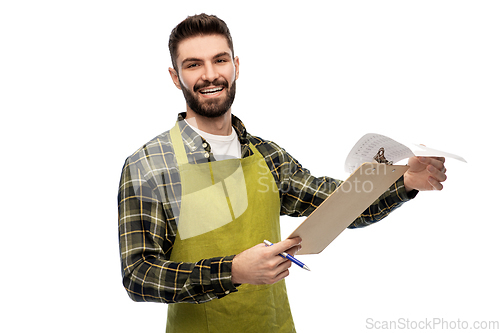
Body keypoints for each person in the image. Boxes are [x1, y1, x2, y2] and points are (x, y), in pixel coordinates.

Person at [118, 13, 447, 332]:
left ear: (236, 66)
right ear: (176, 77)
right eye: (193, 64)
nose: (210, 74)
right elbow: (138, 274)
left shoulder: (267, 156)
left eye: (220, 60)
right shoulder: (149, 165)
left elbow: (336, 206)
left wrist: (405, 182)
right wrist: (232, 271)